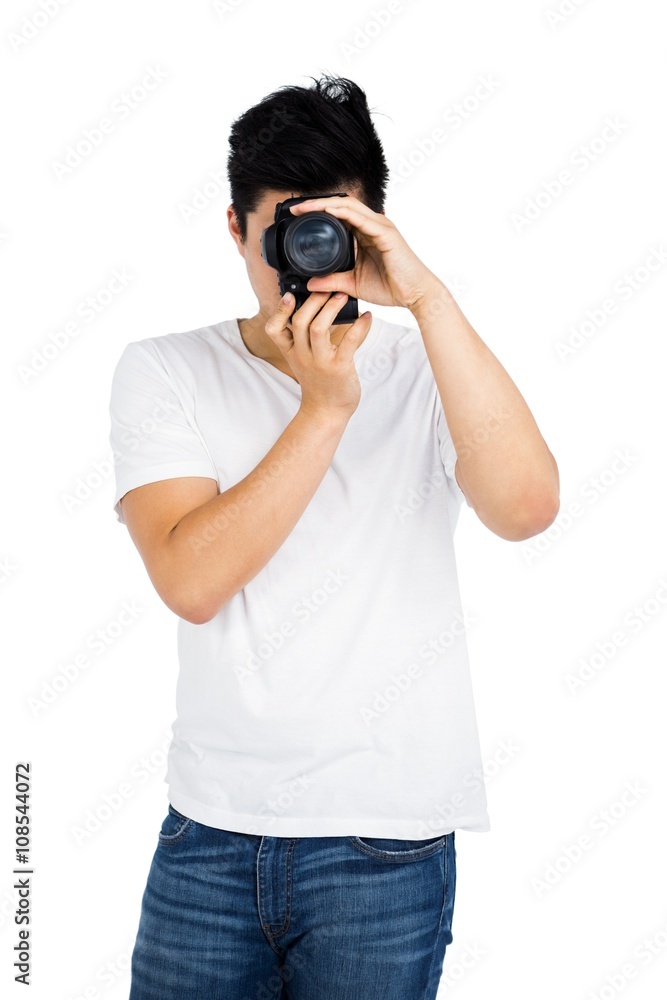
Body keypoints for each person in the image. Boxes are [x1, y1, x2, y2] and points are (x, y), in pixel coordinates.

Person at [109, 73, 559, 1000]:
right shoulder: (166, 370)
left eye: (334, 229)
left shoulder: (431, 362)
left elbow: (525, 510)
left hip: (383, 843)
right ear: (237, 231)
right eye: (286, 231)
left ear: (369, 229)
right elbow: (190, 579)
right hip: (209, 835)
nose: (306, 259)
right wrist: (324, 408)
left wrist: (426, 300)